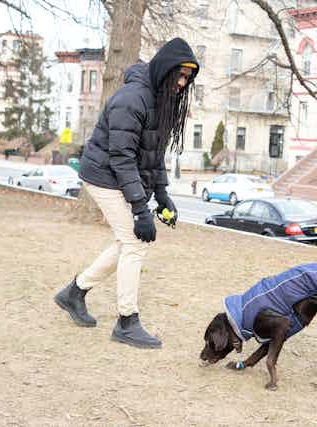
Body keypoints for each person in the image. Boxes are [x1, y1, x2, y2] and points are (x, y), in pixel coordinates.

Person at [54, 38, 199, 349]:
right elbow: (121, 158)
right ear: (165, 70)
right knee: (135, 241)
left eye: (187, 78)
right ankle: (127, 322)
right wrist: (139, 209)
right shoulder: (131, 100)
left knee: (126, 243)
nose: (182, 83)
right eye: (179, 76)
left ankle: (74, 293)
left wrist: (162, 194)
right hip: (103, 174)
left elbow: (153, 151)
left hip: (119, 174)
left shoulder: (160, 98)